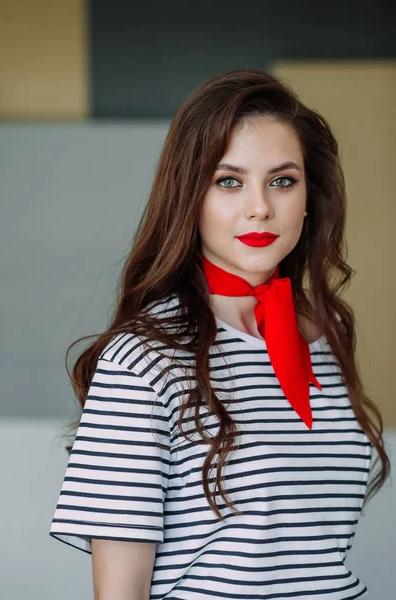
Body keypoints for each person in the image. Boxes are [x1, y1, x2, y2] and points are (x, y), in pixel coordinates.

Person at [49, 69, 390, 599]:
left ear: (309, 197)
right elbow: (120, 591)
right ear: (191, 196)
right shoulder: (144, 357)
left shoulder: (326, 334)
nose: (260, 206)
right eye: (228, 181)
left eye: (282, 180)